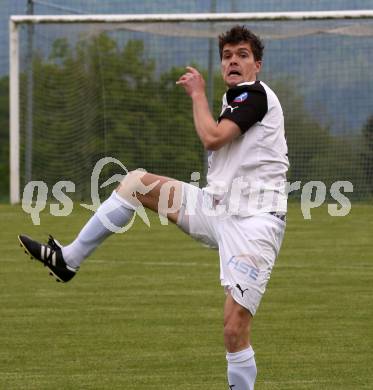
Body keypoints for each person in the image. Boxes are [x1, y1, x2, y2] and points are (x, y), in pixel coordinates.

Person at [19, 25, 289, 390]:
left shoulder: (254, 95)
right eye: (227, 56)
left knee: (233, 328)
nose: (233, 61)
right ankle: (68, 260)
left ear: (257, 64)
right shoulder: (235, 99)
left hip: (256, 223)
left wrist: (196, 94)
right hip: (217, 209)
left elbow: (211, 138)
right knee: (136, 183)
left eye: (242, 55)